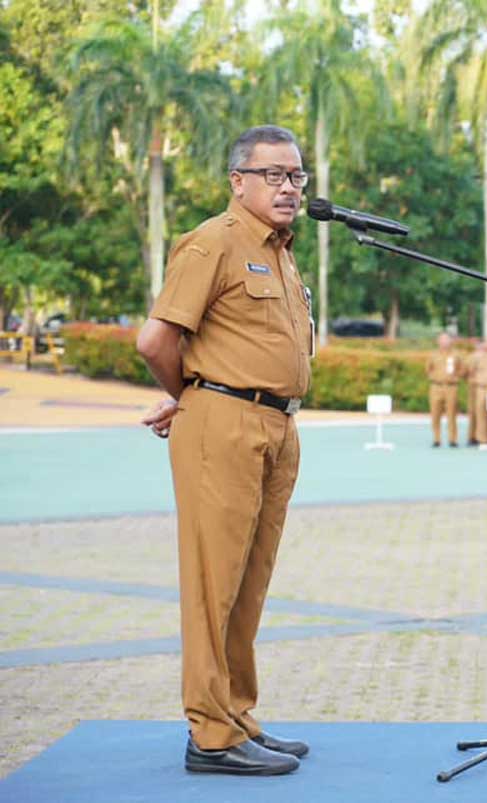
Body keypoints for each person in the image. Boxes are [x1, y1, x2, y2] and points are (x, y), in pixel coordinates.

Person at [136, 125, 311, 776]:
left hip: (276, 429)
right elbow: (155, 340)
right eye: (274, 175)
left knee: (249, 582)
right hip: (225, 425)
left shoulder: (283, 252)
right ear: (238, 180)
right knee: (214, 584)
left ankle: (238, 715)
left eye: (296, 176)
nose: (288, 187)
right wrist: (190, 393)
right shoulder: (215, 242)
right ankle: (210, 734)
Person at [426, 332, 463, 447]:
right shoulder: (433, 355)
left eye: (446, 339)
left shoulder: (456, 355)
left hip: (451, 387)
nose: (444, 342)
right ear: (438, 341)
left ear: (451, 341)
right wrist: (434, 377)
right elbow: (428, 369)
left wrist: (455, 377)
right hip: (436, 386)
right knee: (435, 414)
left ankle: (453, 439)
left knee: (452, 414)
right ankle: (436, 438)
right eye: (441, 339)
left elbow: (462, 369)